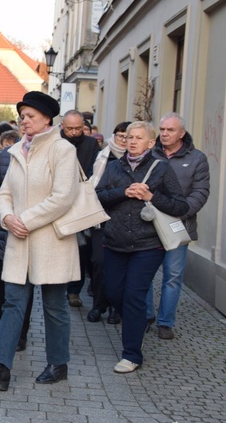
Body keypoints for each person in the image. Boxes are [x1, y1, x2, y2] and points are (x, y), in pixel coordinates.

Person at [0, 91, 79, 390]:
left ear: (47, 119)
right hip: (18, 238)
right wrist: (6, 218)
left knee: (55, 305)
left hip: (51, 241)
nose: (24, 121)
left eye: (31, 116)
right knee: (13, 303)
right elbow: (4, 192)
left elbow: (63, 197)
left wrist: (25, 221)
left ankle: (58, 363)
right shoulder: (16, 150)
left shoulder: (62, 150)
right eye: (22, 116)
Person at [95, 121, 188, 373]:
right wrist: (124, 192)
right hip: (115, 242)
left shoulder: (161, 168)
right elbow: (97, 197)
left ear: (150, 143)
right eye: (128, 137)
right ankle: (136, 324)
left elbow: (180, 206)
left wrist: (150, 197)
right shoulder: (114, 167)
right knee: (114, 293)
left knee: (135, 295)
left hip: (148, 245)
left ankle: (132, 354)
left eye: (138, 138)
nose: (132, 141)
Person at [145, 113, 209, 340]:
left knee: (172, 276)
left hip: (179, 225)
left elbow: (200, 192)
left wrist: (178, 212)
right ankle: (146, 316)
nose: (164, 133)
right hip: (148, 224)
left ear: (182, 133)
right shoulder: (149, 153)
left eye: (170, 130)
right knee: (145, 273)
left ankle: (165, 322)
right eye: (162, 129)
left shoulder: (196, 158)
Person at [0, 130, 32, 351]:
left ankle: (19, 333)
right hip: (2, 222)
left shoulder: (46, 154)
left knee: (21, 281)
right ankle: (5, 318)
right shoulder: (6, 154)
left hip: (26, 224)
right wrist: (2, 198)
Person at [86, 121, 131, 324]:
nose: (123, 139)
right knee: (98, 262)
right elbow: (93, 184)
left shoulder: (136, 161)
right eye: (119, 135)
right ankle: (98, 304)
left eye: (126, 136)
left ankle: (116, 308)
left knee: (119, 267)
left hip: (125, 220)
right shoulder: (102, 155)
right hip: (100, 217)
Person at [60, 110, 101, 308]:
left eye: (78, 128)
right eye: (70, 129)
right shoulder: (55, 142)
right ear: (62, 126)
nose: (75, 132)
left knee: (82, 249)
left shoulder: (92, 144)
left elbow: (96, 171)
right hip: (59, 203)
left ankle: (74, 290)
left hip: (83, 202)